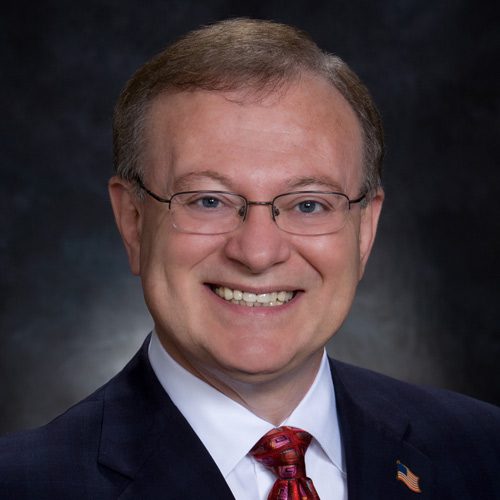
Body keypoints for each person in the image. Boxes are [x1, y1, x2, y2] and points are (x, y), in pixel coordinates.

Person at [1, 18, 499, 500]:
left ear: (365, 229)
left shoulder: (484, 452)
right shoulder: (25, 484)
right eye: (207, 200)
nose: (258, 253)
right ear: (133, 221)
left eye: (309, 204)